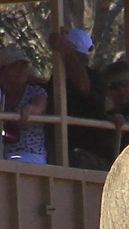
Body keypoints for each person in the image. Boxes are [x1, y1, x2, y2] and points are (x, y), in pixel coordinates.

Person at [41, 28, 107, 168]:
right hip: (57, 152)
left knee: (67, 161)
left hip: (91, 155)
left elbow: (84, 86)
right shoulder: (55, 82)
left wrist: (67, 52)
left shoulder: (95, 78)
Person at [0, 45, 49, 164]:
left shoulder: (35, 91)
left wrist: (29, 109)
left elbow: (39, 106)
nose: (21, 69)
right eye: (15, 66)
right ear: (1, 71)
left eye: (24, 66)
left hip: (30, 155)